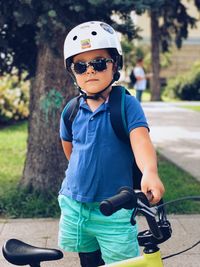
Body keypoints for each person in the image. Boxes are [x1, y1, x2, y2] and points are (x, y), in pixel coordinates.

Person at [58, 21, 165, 267]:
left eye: (98, 63)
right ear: (72, 72)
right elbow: (70, 148)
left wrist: (149, 172)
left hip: (114, 208)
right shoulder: (72, 109)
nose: (90, 71)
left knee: (121, 262)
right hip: (75, 203)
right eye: (80, 66)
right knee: (87, 257)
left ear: (114, 65)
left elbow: (141, 141)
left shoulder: (126, 104)